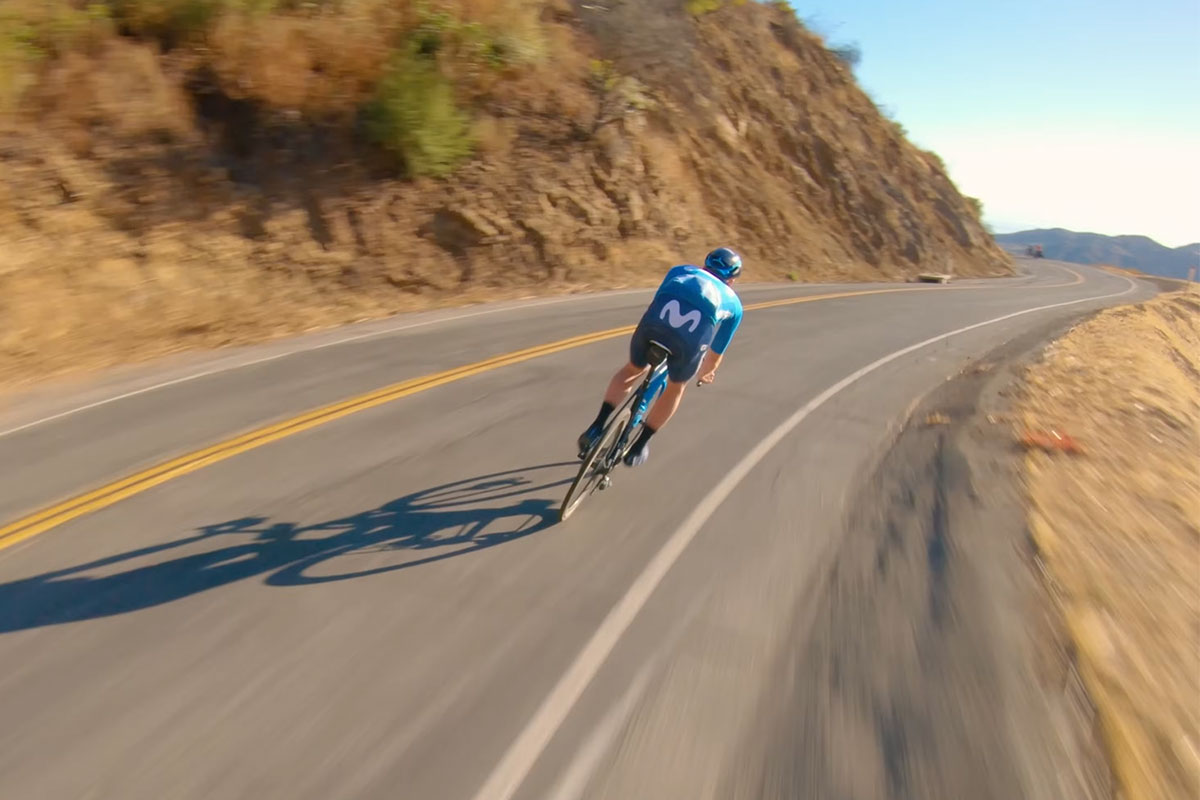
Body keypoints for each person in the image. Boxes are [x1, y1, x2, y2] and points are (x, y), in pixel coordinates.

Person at [577, 247, 744, 467]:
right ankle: (638, 447)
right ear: (732, 280)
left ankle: (597, 426)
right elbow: (715, 353)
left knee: (633, 369)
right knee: (676, 387)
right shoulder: (734, 304)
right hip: (688, 342)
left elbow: (658, 301)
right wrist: (705, 374)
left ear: (705, 264)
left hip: (653, 326)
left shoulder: (680, 270)